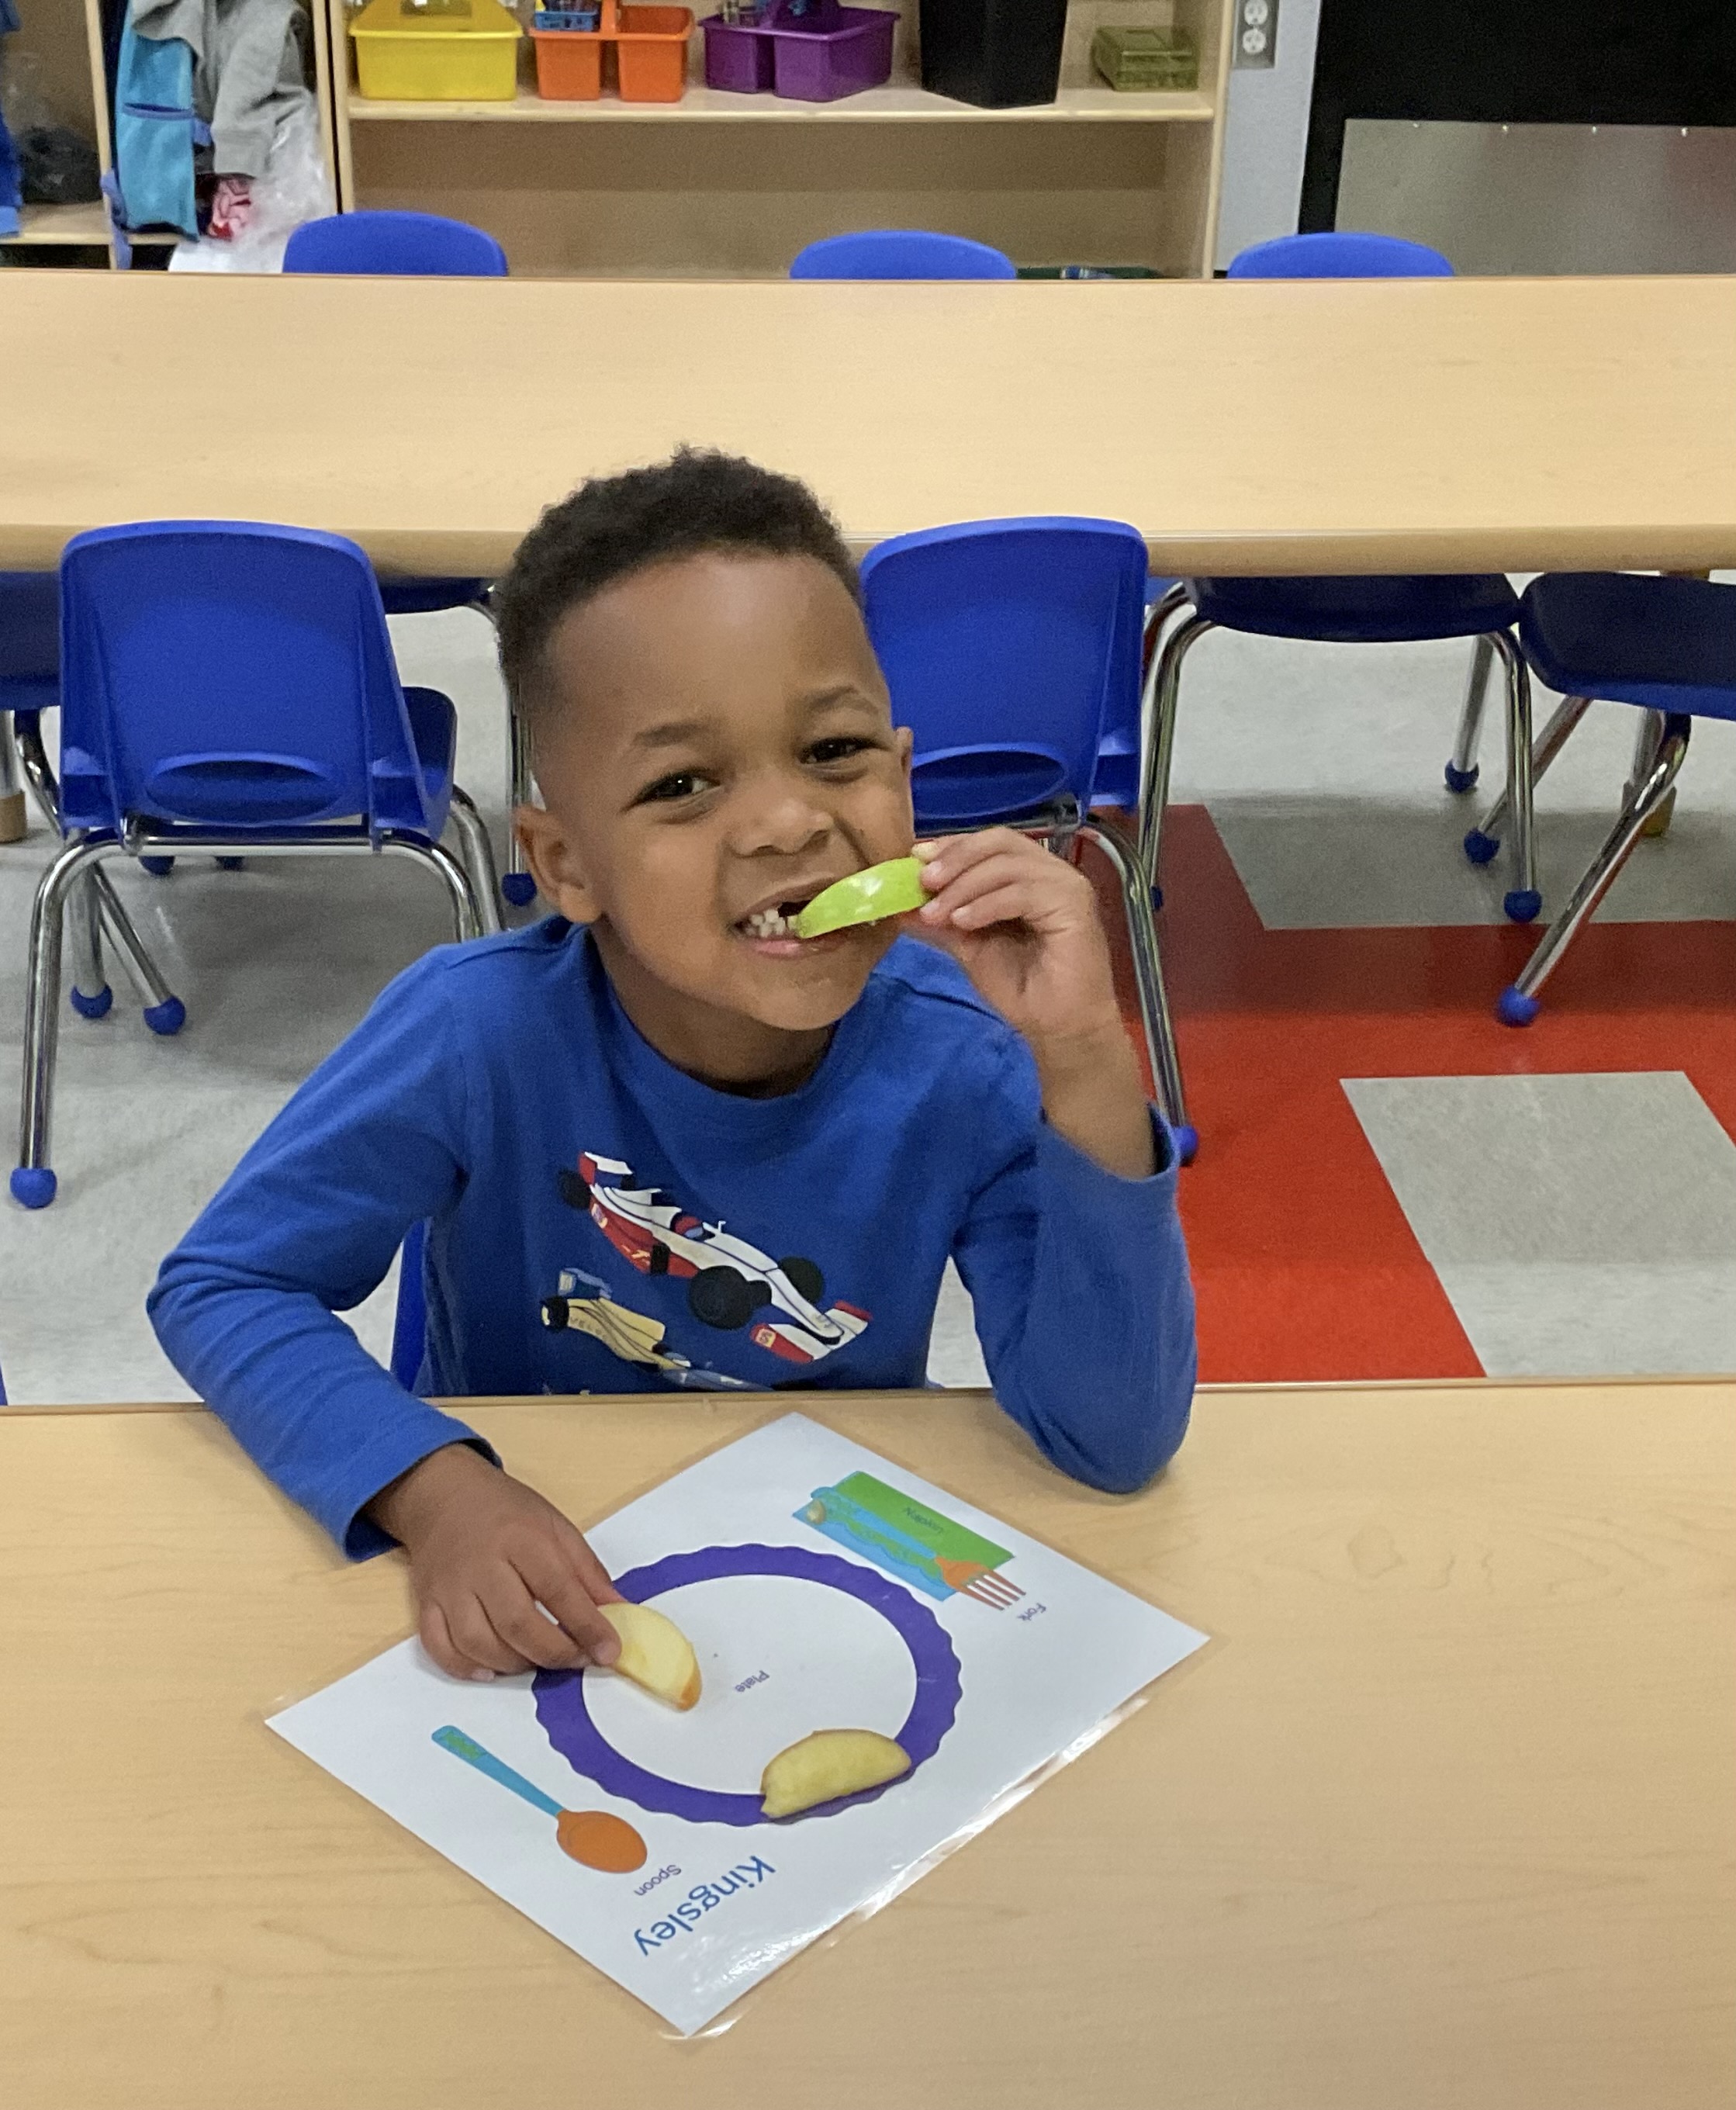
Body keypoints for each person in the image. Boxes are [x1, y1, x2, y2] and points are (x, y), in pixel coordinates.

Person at [150, 449, 1195, 1684]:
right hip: (534, 1563)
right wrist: (434, 1494)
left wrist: (1079, 1061)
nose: (787, 823)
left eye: (835, 752)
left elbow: (1111, 1440)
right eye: (682, 784)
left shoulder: (967, 1058)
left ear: (906, 780)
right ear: (565, 862)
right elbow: (225, 1287)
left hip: (812, 1563)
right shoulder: (473, 1033)